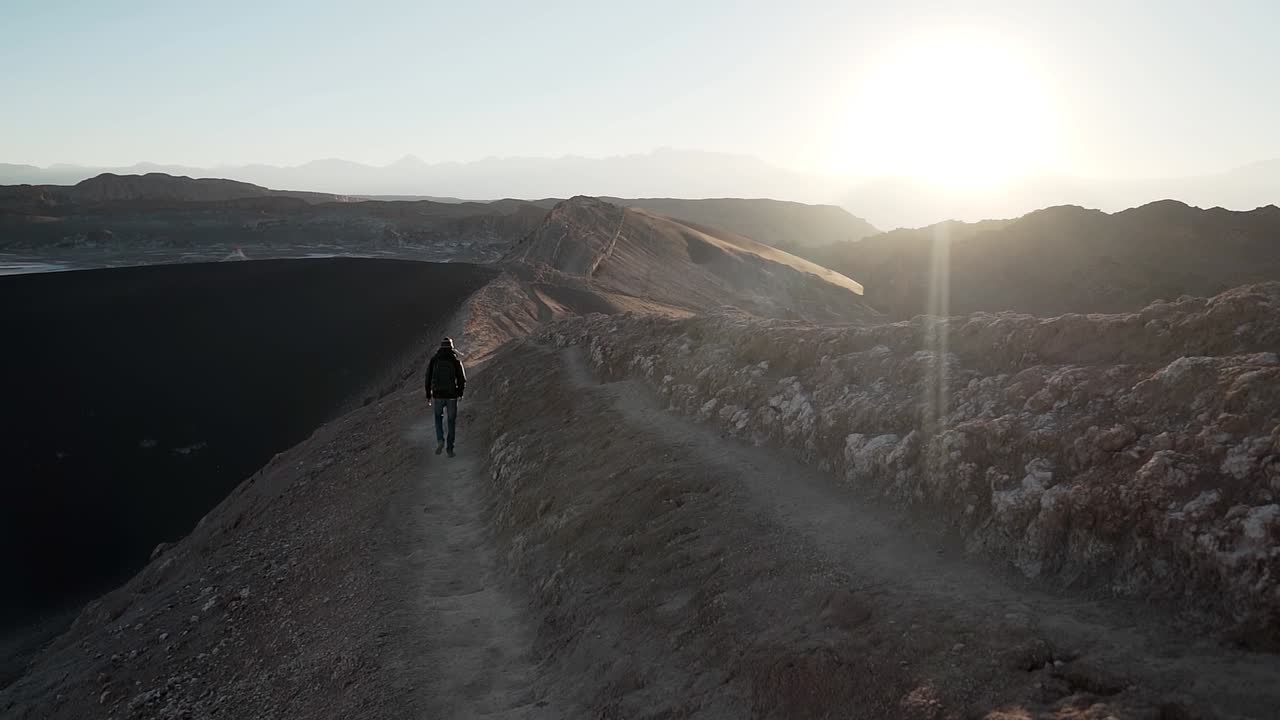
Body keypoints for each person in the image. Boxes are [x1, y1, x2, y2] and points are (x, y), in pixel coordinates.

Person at [424, 337, 466, 457]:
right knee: (451, 421)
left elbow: (427, 378)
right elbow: (462, 379)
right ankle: (450, 449)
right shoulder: (455, 360)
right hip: (452, 396)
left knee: (438, 418)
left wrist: (428, 395)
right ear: (452, 347)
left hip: (438, 395)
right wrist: (460, 392)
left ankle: (440, 440)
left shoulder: (434, 360)